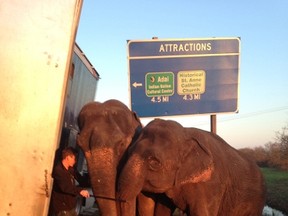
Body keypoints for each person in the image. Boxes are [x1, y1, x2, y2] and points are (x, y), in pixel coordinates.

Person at [51, 147, 90, 216]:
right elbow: (66, 187)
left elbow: (81, 179)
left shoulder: (71, 169)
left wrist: (90, 182)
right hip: (62, 208)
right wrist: (81, 191)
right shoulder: (59, 171)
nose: (75, 161)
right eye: (74, 159)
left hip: (70, 207)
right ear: (68, 157)